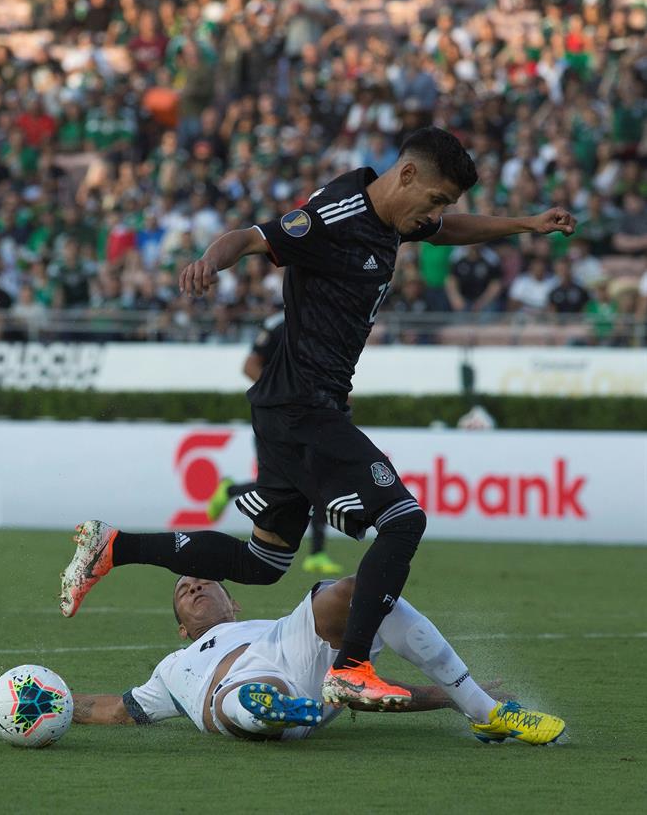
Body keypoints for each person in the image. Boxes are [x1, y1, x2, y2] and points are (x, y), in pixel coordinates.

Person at [61, 127, 576, 709]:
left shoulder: (397, 218)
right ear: (406, 175)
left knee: (261, 562)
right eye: (434, 198)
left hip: (299, 407)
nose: (436, 213)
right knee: (403, 520)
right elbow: (250, 237)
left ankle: (114, 546)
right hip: (302, 409)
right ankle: (352, 665)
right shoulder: (334, 216)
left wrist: (525, 225)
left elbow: (446, 231)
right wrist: (209, 261)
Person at [38, 575, 565, 744]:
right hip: (239, 688)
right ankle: (267, 706)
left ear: (234, 603)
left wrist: (448, 698)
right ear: (181, 626)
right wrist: (41, 698)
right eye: (183, 590)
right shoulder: (171, 669)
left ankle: (479, 708)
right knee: (241, 694)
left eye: (204, 583)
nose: (194, 585)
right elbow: (109, 708)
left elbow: (371, 694)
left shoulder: (267, 627)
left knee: (366, 593)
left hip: (291, 654)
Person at [206, 309, 343, 576]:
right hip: (277, 420)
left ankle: (317, 553)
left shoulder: (324, 323)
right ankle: (231, 490)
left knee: (316, 482)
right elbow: (250, 366)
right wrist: (280, 393)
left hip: (310, 418)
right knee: (286, 486)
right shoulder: (281, 324)